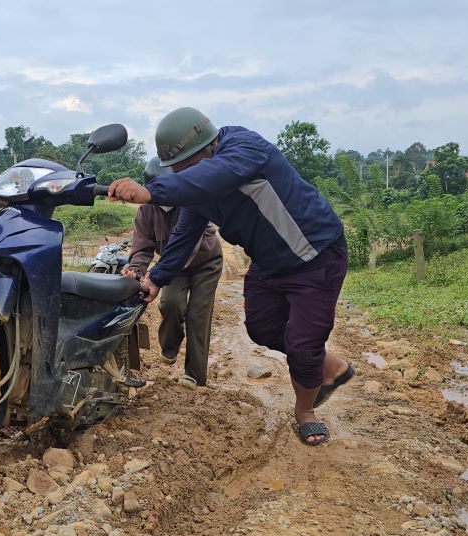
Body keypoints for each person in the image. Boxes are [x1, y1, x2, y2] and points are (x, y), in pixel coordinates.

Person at [108, 107, 354, 446]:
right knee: (261, 328)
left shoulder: (244, 148)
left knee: (302, 343)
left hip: (315, 257)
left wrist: (152, 192)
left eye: (182, 166)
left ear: (207, 148)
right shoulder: (201, 187)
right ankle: (328, 365)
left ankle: (305, 412)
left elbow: (214, 175)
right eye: (173, 169)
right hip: (268, 264)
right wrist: (156, 278)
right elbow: (184, 235)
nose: (179, 173)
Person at [122, 157, 223, 388]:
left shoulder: (192, 204)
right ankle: (170, 348)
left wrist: (158, 273)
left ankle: (195, 376)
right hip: (172, 266)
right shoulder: (146, 212)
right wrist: (135, 271)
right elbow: (142, 248)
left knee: (198, 315)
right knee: (171, 303)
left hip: (205, 263)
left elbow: (187, 246)